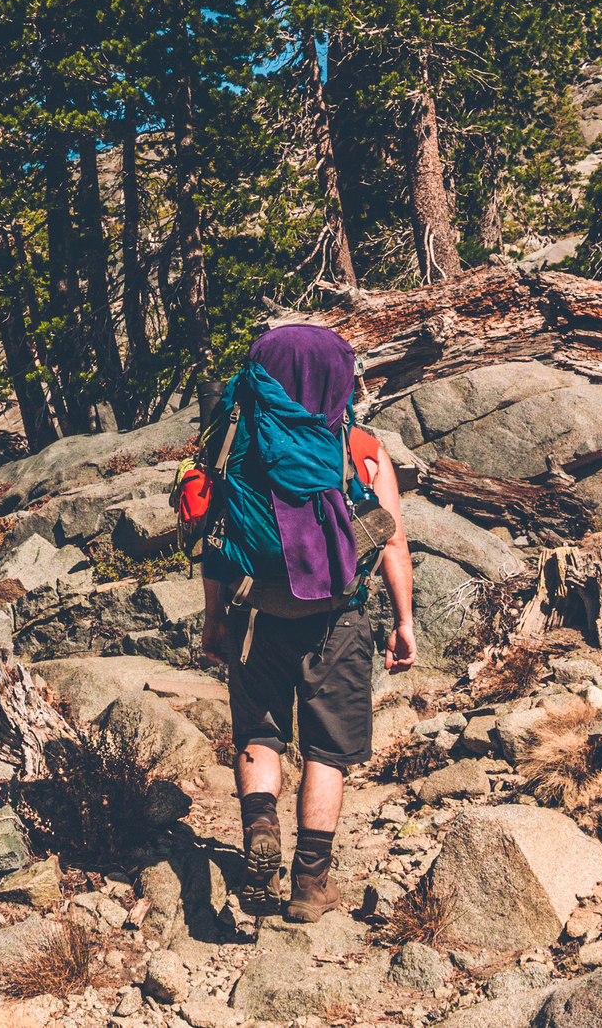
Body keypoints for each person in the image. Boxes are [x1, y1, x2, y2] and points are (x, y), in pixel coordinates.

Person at [197, 322, 416, 922]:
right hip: (338, 618)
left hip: (254, 611)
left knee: (260, 735)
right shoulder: (362, 448)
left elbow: (216, 541)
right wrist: (404, 623)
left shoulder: (233, 440)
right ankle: (310, 885)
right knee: (326, 750)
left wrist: (215, 617)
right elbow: (392, 544)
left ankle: (260, 825)